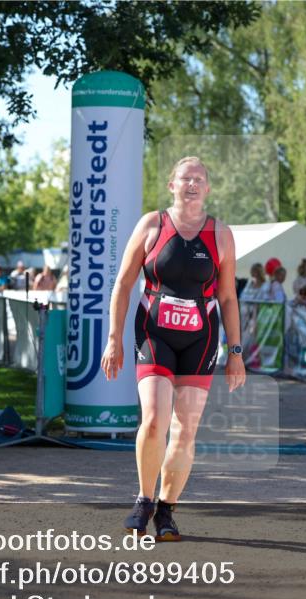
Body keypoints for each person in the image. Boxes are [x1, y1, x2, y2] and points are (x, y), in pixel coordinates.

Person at [100, 156, 245, 541]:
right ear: (172, 185)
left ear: (208, 188)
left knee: (185, 430)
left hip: (200, 338)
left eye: (199, 179)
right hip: (154, 334)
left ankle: (167, 510)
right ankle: (144, 499)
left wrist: (236, 353)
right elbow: (123, 284)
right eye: (185, 178)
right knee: (154, 420)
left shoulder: (222, 234)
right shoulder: (152, 225)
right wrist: (114, 338)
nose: (192, 184)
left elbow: (228, 298)